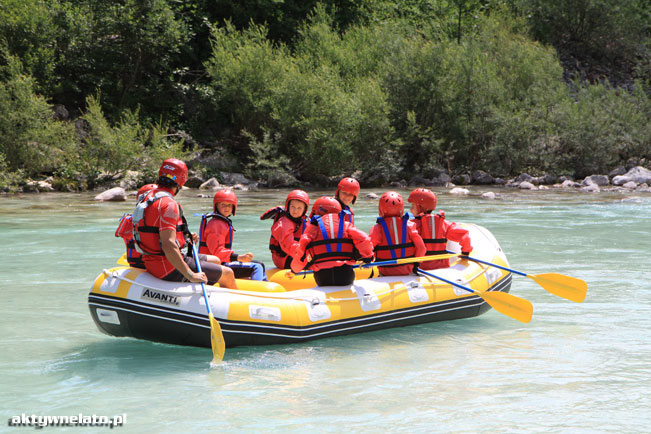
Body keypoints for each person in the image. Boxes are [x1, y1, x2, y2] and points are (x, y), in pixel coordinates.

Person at [132, 158, 237, 288]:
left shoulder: (148, 196)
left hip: (152, 261)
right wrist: (190, 275)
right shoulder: (169, 204)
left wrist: (185, 238)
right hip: (167, 267)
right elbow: (168, 244)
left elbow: (155, 231)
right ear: (181, 181)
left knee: (216, 260)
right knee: (228, 273)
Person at [291, 196, 373, 286]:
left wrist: (294, 269)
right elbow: (364, 239)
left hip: (322, 278)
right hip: (345, 275)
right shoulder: (346, 225)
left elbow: (301, 251)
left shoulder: (312, 230)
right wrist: (368, 257)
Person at [199, 189, 267, 281]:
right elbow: (217, 253)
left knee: (261, 264)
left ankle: (262, 285)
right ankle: (259, 292)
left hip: (220, 263)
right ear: (216, 205)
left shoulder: (221, 222)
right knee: (257, 267)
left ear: (233, 207)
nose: (226, 208)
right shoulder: (216, 225)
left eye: (229, 205)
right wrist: (238, 257)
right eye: (223, 204)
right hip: (214, 266)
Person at [407, 188, 473, 270]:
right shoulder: (444, 224)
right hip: (442, 268)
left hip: (420, 267)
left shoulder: (411, 225)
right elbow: (464, 235)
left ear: (421, 207)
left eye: (413, 206)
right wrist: (465, 252)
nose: (410, 209)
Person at [369, 191, 426, 276]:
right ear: (401, 210)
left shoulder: (377, 228)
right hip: (407, 272)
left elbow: (368, 250)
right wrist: (417, 263)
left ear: (381, 210)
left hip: (385, 273)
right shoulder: (409, 226)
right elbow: (421, 248)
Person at [260, 190, 310, 269]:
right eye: (293, 207)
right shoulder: (284, 223)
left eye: (299, 208)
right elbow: (288, 245)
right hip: (283, 259)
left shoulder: (305, 221)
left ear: (304, 210)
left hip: (295, 254)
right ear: (288, 206)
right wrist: (305, 254)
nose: (295, 211)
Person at [115, 183, 157, 269]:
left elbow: (119, 234)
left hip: (135, 263)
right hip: (154, 264)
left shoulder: (127, 219)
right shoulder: (160, 219)